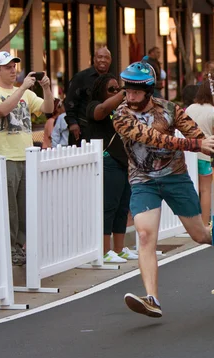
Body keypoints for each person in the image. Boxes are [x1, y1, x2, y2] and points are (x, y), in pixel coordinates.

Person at [112, 61, 214, 318]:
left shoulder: (170, 109)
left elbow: (196, 133)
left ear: (148, 90)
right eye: (127, 90)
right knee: (144, 235)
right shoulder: (121, 116)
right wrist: (197, 145)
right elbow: (153, 138)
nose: (130, 95)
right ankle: (152, 298)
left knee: (200, 235)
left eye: (135, 91)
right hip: (143, 179)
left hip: (175, 177)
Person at [0, 51, 54, 265]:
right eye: (7, 66)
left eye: (14, 65)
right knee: (10, 209)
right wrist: (23, 87)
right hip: (5, 157)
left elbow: (47, 110)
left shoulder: (25, 93)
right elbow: (3, 110)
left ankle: (21, 248)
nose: (13, 69)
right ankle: (11, 248)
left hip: (26, 156)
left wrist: (46, 88)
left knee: (24, 207)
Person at [86, 73, 138, 263]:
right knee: (109, 206)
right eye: (112, 89)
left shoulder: (123, 109)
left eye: (118, 88)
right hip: (108, 162)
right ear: (101, 90)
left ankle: (119, 248)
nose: (117, 92)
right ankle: (105, 250)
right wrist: (122, 93)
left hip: (125, 161)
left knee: (123, 207)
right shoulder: (93, 106)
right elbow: (101, 111)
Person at [185, 68, 214, 226]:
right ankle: (204, 223)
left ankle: (192, 224)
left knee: (191, 191)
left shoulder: (189, 109)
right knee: (205, 190)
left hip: (190, 153)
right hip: (206, 155)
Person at [64, 47, 112, 146]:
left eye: (106, 58)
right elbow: (70, 101)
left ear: (110, 61)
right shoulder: (81, 77)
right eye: (100, 57)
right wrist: (72, 123)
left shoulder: (111, 80)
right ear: (94, 59)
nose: (103, 60)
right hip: (83, 130)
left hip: (105, 129)